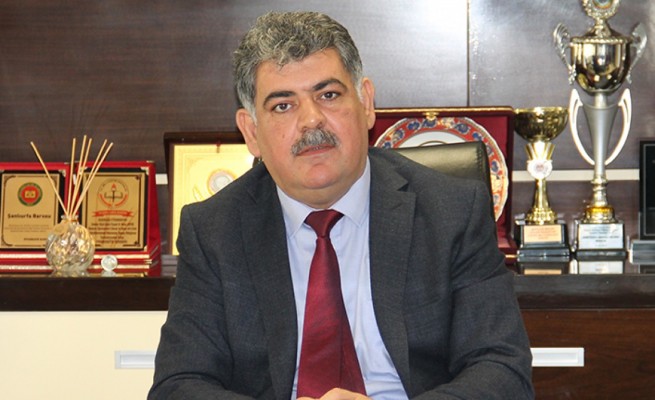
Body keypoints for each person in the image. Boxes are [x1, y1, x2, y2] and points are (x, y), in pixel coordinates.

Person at [149, 11, 534, 400]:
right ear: (251, 131)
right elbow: (178, 386)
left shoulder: (451, 212)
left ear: (366, 103)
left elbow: (502, 371)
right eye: (283, 105)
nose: (311, 120)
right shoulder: (214, 230)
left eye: (328, 95)